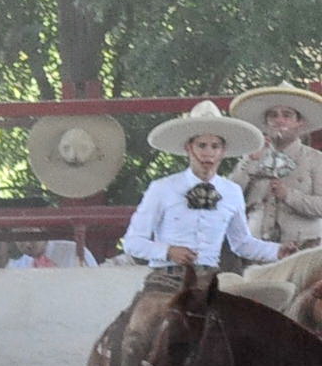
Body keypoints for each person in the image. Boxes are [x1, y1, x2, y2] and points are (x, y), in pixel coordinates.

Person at [121, 100, 283, 284]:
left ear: (223, 151)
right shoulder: (163, 188)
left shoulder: (231, 191)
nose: (208, 153)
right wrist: (168, 251)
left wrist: (278, 250)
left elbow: (242, 243)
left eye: (215, 146)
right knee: (149, 312)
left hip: (208, 281)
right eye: (202, 145)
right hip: (165, 278)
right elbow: (132, 243)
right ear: (188, 148)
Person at [228, 82, 322, 251]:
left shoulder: (316, 159)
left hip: (303, 249)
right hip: (257, 247)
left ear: (299, 122)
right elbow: (229, 196)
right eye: (273, 115)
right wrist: (249, 161)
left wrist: (288, 195)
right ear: (266, 123)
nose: (279, 120)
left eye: (287, 115)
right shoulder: (251, 156)